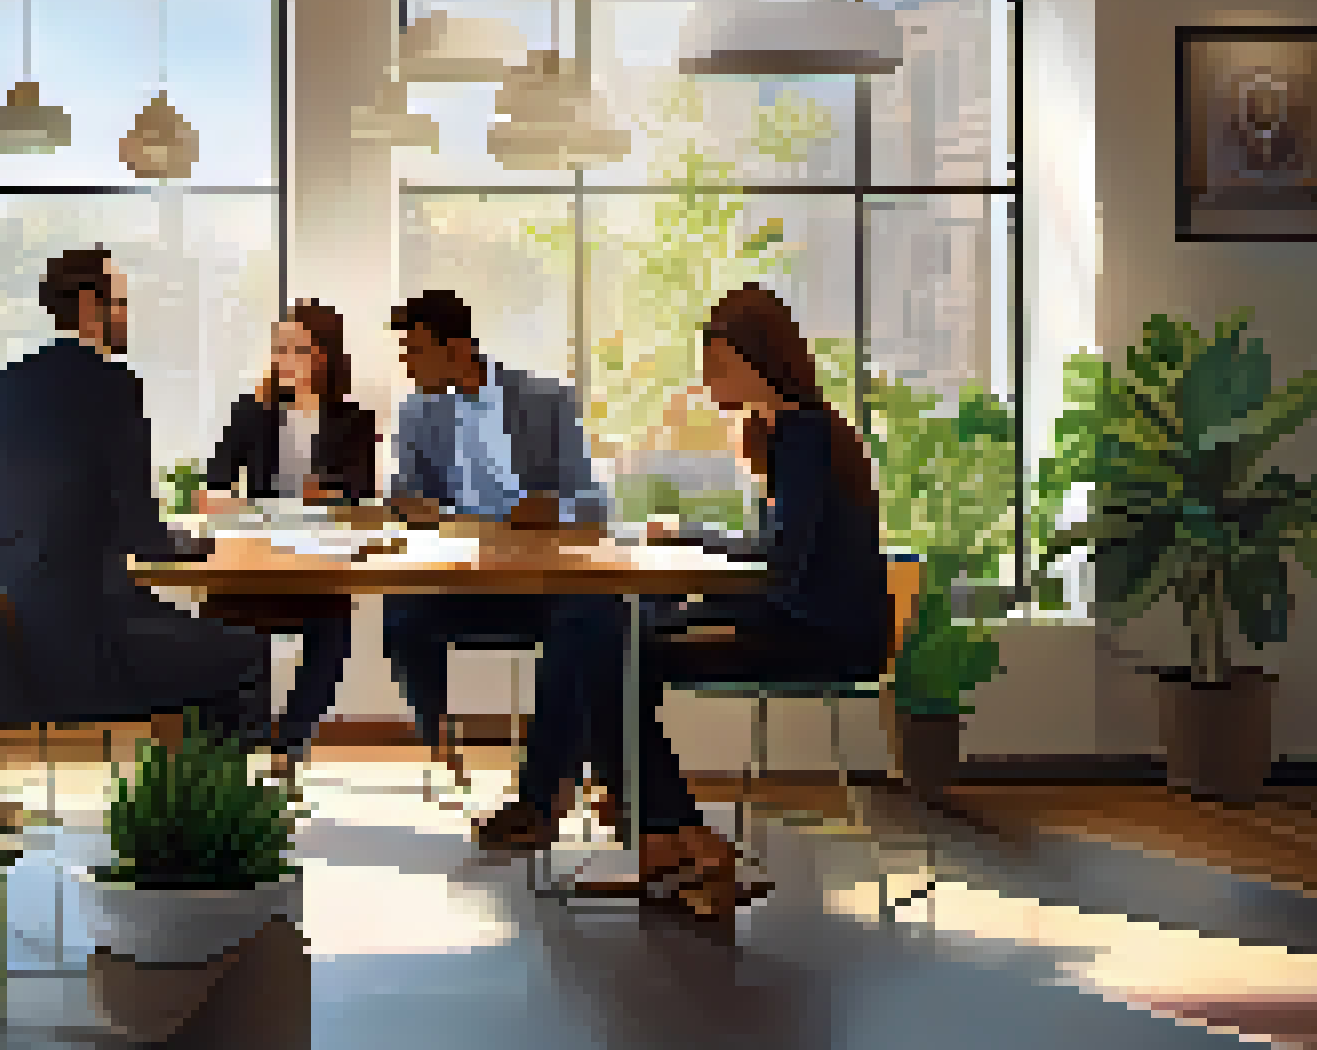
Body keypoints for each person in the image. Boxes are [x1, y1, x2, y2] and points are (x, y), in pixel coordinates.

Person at [591, 282, 892, 919]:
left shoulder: (804, 435)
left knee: (620, 652)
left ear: (761, 360)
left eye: (720, 366)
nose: (709, 382)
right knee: (621, 641)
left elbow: (781, 564)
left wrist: (694, 577)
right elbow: (776, 552)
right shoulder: (788, 433)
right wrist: (693, 554)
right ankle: (657, 831)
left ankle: (672, 831)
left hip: (820, 634)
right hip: (799, 620)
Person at [0, 244, 272, 741]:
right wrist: (193, 545)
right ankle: (218, 791)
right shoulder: (113, 386)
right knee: (247, 654)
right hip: (81, 638)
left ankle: (183, 781)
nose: (126, 316)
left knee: (183, 637)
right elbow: (145, 538)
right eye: (119, 303)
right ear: (87, 306)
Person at [378, 289, 627, 856]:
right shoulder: (417, 413)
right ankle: (440, 741)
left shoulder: (546, 401)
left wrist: (555, 510)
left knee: (589, 617)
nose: (407, 364)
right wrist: (406, 504)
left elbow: (595, 505)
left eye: (415, 350)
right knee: (402, 612)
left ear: (457, 348)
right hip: (465, 584)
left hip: (540, 586)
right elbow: (405, 492)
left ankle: (541, 799)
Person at [195, 300, 379, 763]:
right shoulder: (251, 412)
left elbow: (362, 497)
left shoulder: (354, 421)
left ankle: (290, 744)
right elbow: (213, 485)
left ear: (324, 355)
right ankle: (243, 742)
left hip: (317, 561)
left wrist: (330, 498)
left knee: (334, 629)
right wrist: (234, 502)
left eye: (297, 349)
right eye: (279, 348)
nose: (284, 359)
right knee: (225, 618)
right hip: (254, 559)